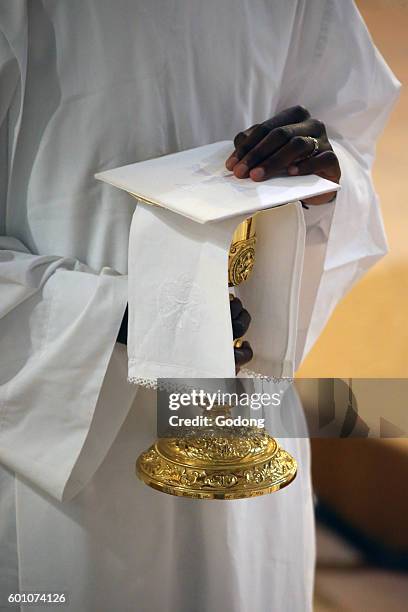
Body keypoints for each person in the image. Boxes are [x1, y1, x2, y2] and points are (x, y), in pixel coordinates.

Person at [0, 1, 399, 611]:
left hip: (245, 408)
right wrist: (114, 317)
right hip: (72, 423)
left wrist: (321, 174)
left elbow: (348, 138)